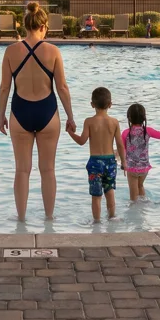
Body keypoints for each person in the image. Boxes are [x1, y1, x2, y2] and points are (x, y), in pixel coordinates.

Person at [0, 2, 75, 221]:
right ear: (44, 26)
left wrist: (1, 114)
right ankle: (49, 219)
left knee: (22, 170)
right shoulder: (53, 51)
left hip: (20, 112)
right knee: (48, 170)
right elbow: (62, 87)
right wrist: (70, 116)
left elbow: (5, 87)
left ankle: (21, 220)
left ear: (25, 26)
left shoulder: (11, 51)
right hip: (48, 113)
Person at [68, 87, 125, 222]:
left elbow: (82, 141)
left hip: (95, 163)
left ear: (92, 104)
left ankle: (97, 222)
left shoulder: (89, 121)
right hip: (110, 161)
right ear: (110, 105)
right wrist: (124, 162)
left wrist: (70, 133)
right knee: (110, 191)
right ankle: (112, 218)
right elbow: (120, 145)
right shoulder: (114, 122)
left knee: (96, 195)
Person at [121, 103, 160, 201]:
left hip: (132, 168)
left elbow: (123, 150)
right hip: (144, 168)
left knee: (133, 197)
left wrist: (123, 164)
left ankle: (135, 213)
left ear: (129, 117)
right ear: (144, 118)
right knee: (140, 186)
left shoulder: (125, 133)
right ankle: (143, 208)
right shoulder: (147, 131)